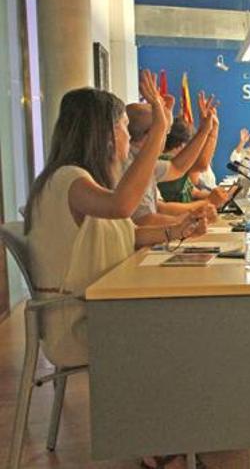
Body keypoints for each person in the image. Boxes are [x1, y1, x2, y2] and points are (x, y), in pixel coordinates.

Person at [24, 73, 208, 469]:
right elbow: (125, 208)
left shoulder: (80, 181)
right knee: (195, 328)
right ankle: (166, 437)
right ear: (107, 135)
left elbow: (126, 230)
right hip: (79, 322)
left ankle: (177, 431)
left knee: (194, 322)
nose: (127, 141)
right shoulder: (69, 180)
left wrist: (177, 229)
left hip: (99, 311)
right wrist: (161, 125)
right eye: (124, 129)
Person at [125, 91, 219, 226]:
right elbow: (144, 219)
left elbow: (177, 168)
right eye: (165, 131)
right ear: (151, 134)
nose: (165, 138)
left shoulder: (143, 160)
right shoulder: (129, 164)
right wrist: (188, 222)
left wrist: (204, 130)